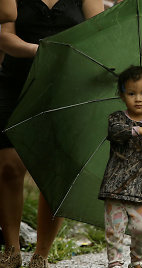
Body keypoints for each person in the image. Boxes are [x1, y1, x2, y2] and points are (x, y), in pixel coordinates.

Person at [0, 0, 103, 267]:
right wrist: (39, 50)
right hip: (17, 83)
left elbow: (99, 35)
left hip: (67, 86)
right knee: (9, 166)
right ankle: (11, 249)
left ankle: (41, 255)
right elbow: (4, 36)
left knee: (56, 173)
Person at [98, 66, 142, 268]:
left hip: (141, 190)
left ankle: (137, 261)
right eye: (131, 93)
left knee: (140, 229)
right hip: (115, 188)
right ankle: (115, 263)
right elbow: (115, 132)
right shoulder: (117, 119)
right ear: (122, 95)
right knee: (115, 230)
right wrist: (138, 130)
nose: (138, 99)